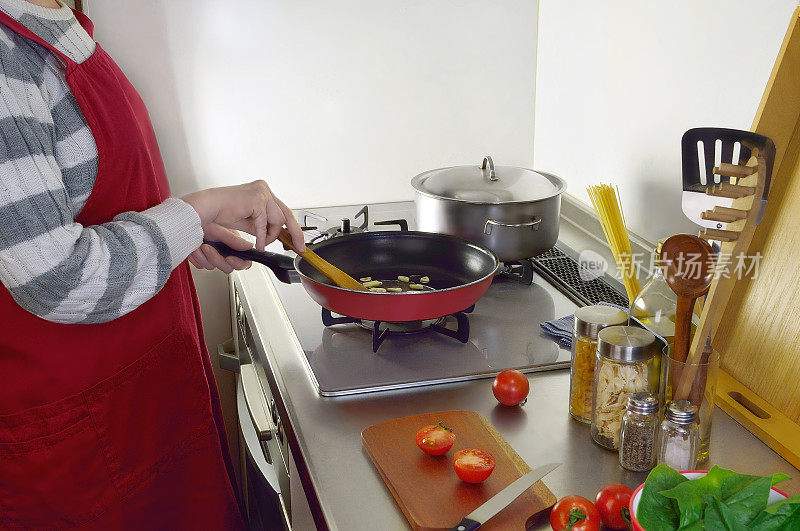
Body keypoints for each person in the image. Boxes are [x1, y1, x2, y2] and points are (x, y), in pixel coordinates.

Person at [0, 0, 305, 528]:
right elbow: (53, 281)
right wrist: (198, 209)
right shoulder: (6, 61)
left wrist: (182, 234)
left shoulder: (55, 22)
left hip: (140, 395)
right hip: (75, 430)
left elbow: (70, 212)